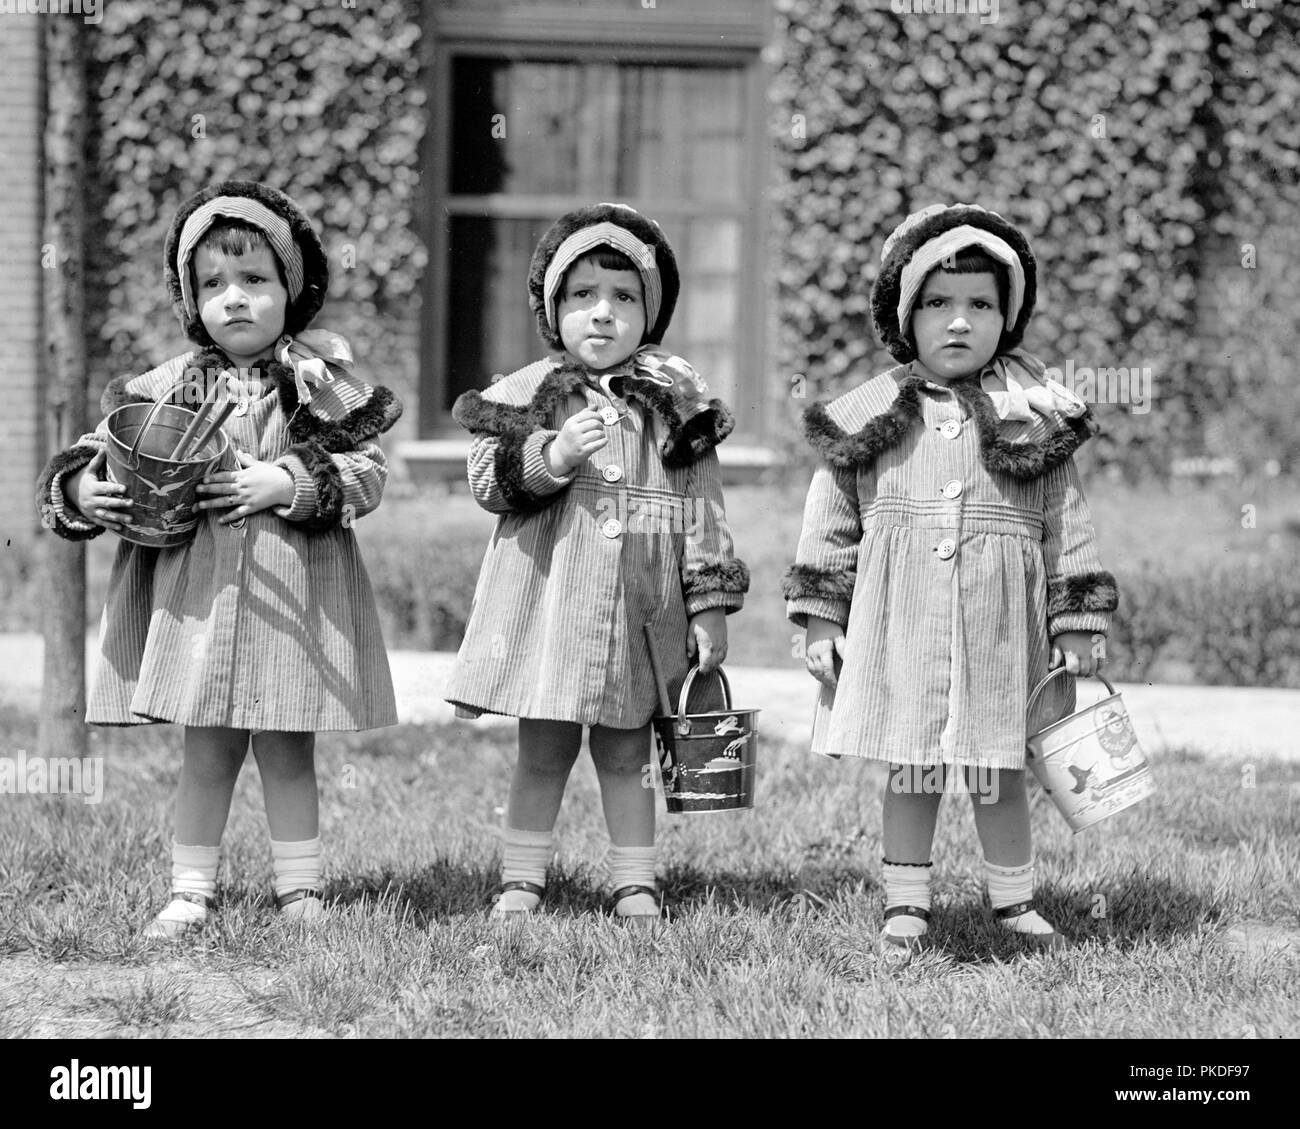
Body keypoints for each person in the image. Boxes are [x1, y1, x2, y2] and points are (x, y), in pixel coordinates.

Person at [36, 181, 401, 938]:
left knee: (287, 748)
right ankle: (190, 889)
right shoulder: (172, 386)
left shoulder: (317, 383)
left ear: (290, 289)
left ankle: (300, 892)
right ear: (190, 296)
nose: (234, 298)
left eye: (255, 279)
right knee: (205, 751)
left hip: (291, 599)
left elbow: (368, 473)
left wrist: (289, 479)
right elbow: (100, 447)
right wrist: (82, 486)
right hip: (198, 596)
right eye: (213, 284)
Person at [782, 203, 1118, 954]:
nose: (958, 321)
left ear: (1009, 315)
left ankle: (1014, 899)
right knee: (912, 765)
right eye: (938, 303)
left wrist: (1077, 617)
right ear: (907, 313)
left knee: (998, 767)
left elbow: (1070, 521)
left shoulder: (1033, 415)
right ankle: (906, 901)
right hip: (903, 623)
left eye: (980, 304)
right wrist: (820, 617)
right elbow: (830, 519)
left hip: (1001, 625)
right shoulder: (872, 413)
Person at [445, 203, 749, 920]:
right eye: (582, 295)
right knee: (543, 751)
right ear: (554, 308)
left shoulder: (677, 405)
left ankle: (634, 879)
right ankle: (522, 877)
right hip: (549, 611)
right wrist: (553, 454)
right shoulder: (528, 394)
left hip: (640, 616)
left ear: (652, 310)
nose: (603, 313)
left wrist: (708, 606)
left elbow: (702, 510)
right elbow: (489, 483)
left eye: (623, 296)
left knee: (626, 753)